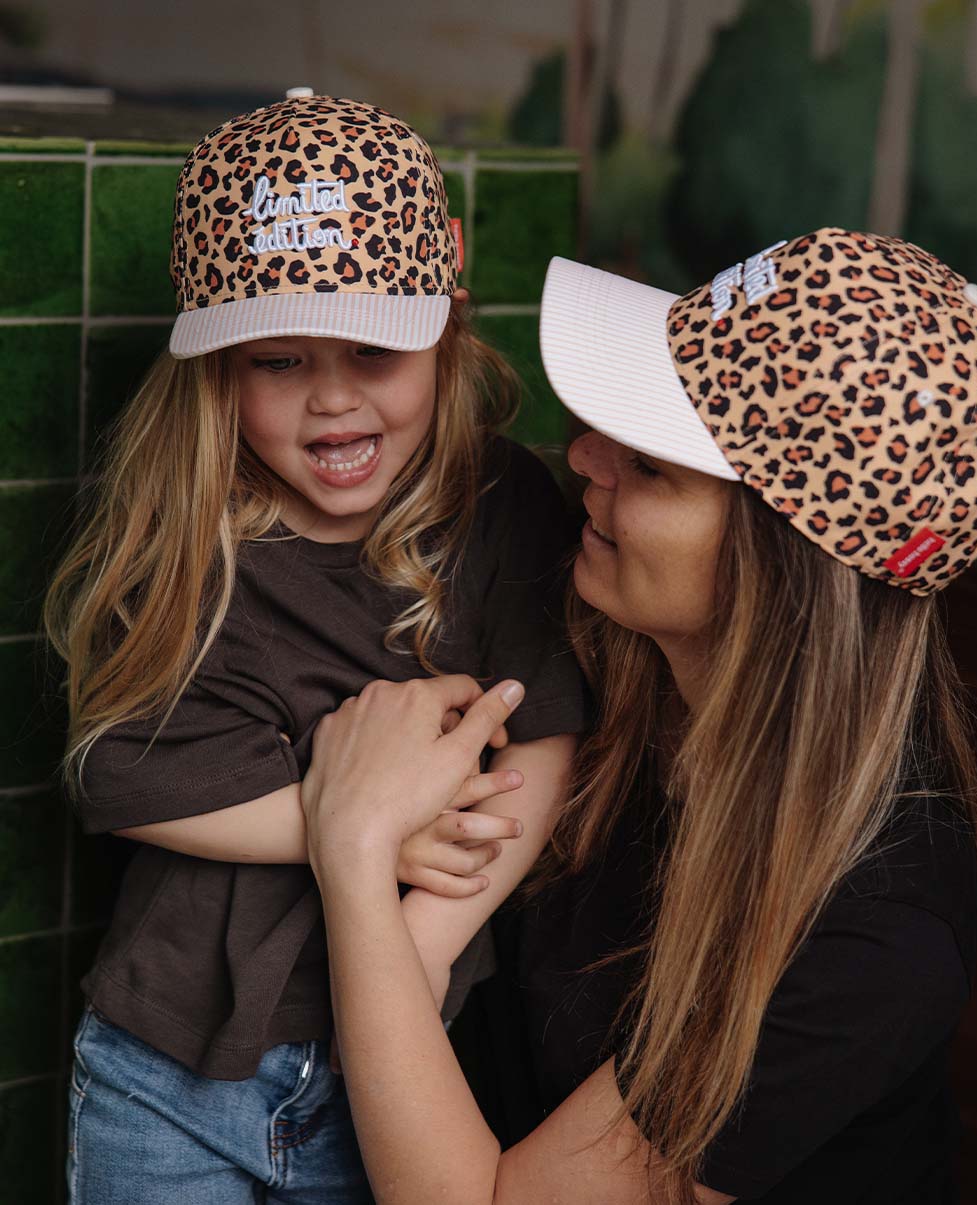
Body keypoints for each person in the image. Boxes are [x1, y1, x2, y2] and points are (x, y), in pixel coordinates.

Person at [298, 228, 977, 1203]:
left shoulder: (870, 931)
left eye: (649, 465)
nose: (585, 454)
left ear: (780, 573)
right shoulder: (612, 664)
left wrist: (348, 840)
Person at [46, 94, 584, 1203]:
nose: (333, 399)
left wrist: (425, 944)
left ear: (449, 312)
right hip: (164, 1077)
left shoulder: (507, 506)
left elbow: (546, 742)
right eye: (280, 359)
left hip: (398, 1074)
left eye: (372, 350)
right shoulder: (182, 522)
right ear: (219, 370)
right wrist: (362, 829)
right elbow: (122, 773)